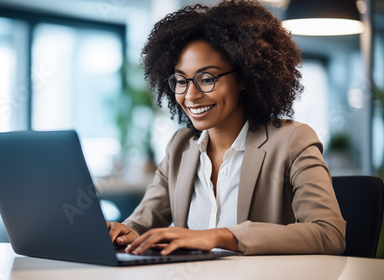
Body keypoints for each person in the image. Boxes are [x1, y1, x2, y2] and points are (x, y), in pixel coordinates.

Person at [107, 0, 346, 256]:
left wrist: (220, 237)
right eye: (180, 80)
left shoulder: (292, 141)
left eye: (207, 79)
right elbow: (142, 223)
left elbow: (329, 234)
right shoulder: (181, 146)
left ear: (244, 77)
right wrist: (124, 233)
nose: (190, 95)